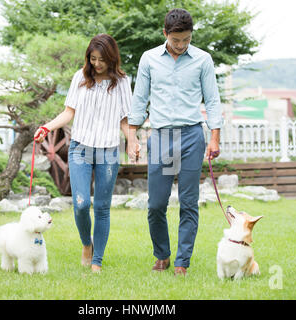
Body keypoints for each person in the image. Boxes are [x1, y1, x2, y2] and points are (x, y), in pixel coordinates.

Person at [127, 8, 223, 276]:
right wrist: (132, 135)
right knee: (156, 204)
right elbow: (139, 99)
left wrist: (214, 136)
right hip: (160, 136)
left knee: (188, 202)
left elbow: (212, 100)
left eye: (186, 40)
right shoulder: (149, 59)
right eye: (176, 40)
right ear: (165, 33)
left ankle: (182, 261)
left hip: (192, 135)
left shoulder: (203, 60)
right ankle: (162, 254)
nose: (181, 45)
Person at [35, 34, 132, 273]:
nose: (97, 64)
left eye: (102, 59)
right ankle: (86, 244)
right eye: (93, 58)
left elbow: (126, 120)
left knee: (101, 206)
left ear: (112, 58)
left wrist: (133, 141)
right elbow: (69, 113)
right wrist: (47, 126)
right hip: (80, 148)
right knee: (80, 204)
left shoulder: (122, 82)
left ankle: (97, 260)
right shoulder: (80, 77)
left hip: (108, 151)